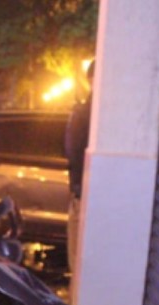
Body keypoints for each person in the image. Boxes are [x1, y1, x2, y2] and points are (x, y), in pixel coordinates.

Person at [64, 61, 94, 289]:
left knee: (79, 261)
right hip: (83, 194)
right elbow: (73, 152)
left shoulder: (85, 112)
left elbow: (72, 151)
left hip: (82, 194)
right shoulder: (88, 113)